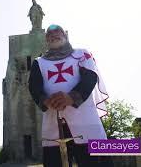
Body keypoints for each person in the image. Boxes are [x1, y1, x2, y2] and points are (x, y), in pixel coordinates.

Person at [28, 24, 113, 167]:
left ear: (65, 36)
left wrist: (71, 97)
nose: (53, 35)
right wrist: (46, 101)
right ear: (46, 40)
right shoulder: (39, 62)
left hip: (86, 121)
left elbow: (90, 77)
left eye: (57, 32)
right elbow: (34, 86)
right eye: (49, 34)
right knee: (55, 162)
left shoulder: (82, 54)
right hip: (53, 122)